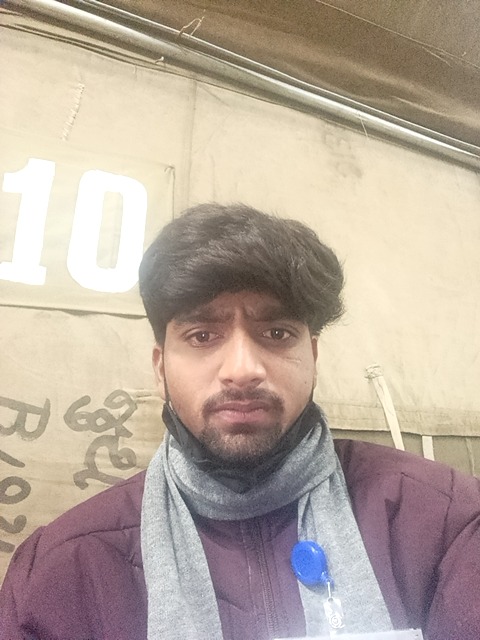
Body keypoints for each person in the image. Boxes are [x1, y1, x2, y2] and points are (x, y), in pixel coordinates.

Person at [1, 203, 480, 640]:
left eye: (277, 332)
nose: (243, 369)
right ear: (160, 368)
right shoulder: (59, 572)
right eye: (202, 335)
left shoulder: (445, 522)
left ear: (312, 358)